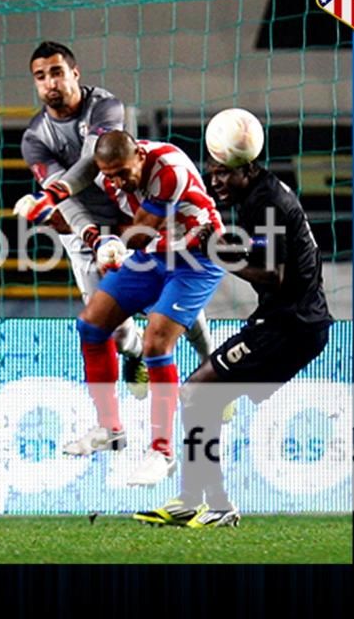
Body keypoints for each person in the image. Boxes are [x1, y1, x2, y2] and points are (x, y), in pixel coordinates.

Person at [12, 41, 213, 455]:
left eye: (57, 72)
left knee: (170, 295)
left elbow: (93, 163)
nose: (50, 83)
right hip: (83, 227)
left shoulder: (104, 107)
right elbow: (67, 203)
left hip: (133, 210)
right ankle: (133, 358)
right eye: (41, 76)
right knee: (104, 324)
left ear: (75, 73)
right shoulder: (35, 138)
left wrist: (54, 194)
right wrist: (92, 236)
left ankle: (213, 365)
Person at [135, 139, 333, 527]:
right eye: (211, 172)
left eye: (224, 173)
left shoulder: (266, 203)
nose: (215, 180)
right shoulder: (261, 195)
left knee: (196, 391)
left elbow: (272, 277)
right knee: (200, 396)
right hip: (289, 322)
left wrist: (216, 252)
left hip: (292, 324)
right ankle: (193, 500)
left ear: (249, 168)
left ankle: (215, 504)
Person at [71, 130, 226, 486]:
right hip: (155, 254)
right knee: (91, 325)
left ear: (140, 155)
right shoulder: (107, 174)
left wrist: (113, 246)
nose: (117, 181)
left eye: (123, 173)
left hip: (197, 256)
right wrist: (98, 237)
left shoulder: (169, 168)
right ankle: (109, 428)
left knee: (156, 342)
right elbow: (84, 215)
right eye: (109, 176)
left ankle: (162, 451)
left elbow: (139, 232)